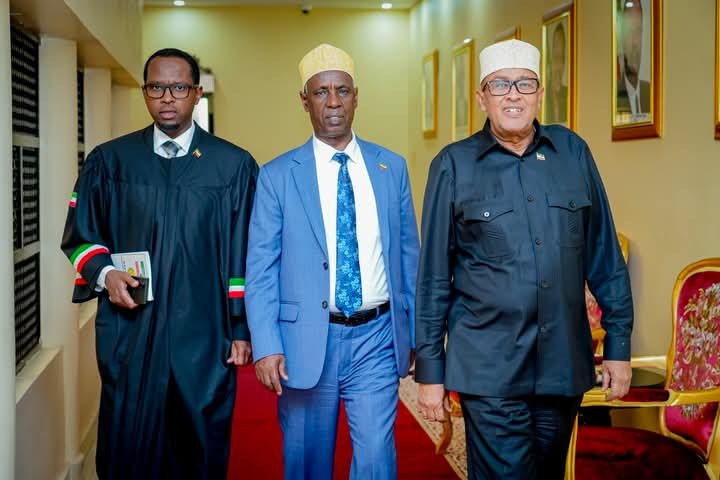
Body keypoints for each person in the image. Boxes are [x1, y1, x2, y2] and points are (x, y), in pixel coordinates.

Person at [414, 39, 633, 480]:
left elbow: (605, 257)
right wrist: (430, 371)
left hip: (562, 366)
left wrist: (619, 346)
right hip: (488, 368)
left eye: (524, 84)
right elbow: (434, 277)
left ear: (539, 94)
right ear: (482, 97)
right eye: (499, 85)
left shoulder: (573, 153)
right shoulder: (453, 165)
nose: (513, 95)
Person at [61, 48, 258, 479]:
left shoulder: (233, 166)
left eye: (179, 87)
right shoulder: (110, 162)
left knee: (199, 445)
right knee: (128, 444)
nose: (167, 97)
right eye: (157, 87)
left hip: (204, 332)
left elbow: (246, 253)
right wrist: (106, 273)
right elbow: (79, 237)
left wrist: (241, 328)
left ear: (197, 93)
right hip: (131, 330)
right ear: (144, 92)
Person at [246, 43, 419, 480]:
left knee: (377, 459)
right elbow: (261, 268)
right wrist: (266, 344)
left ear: (356, 96)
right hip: (305, 340)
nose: (334, 102)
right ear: (305, 101)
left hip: (377, 337)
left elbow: (409, 258)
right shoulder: (277, 176)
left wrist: (418, 333)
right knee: (306, 461)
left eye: (342, 90)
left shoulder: (391, 168)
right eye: (321, 92)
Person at [617, 0, 650, 120]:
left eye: (638, 32)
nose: (635, 42)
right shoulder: (613, 96)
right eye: (629, 33)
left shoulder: (652, 93)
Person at [545, 22, 568, 125]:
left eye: (561, 58)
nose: (559, 65)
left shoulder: (567, 94)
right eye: (556, 58)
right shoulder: (543, 96)